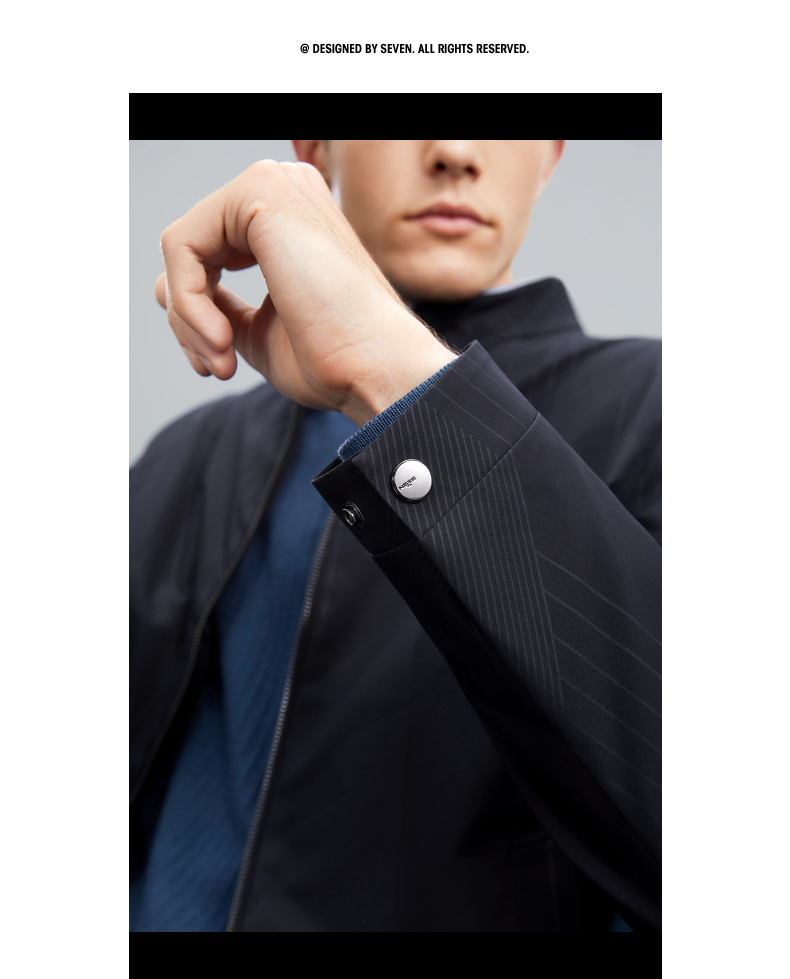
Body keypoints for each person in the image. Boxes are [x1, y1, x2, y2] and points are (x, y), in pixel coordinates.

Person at [130, 140, 661, 933]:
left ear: (551, 155)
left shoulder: (657, 410)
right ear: (315, 150)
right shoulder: (186, 457)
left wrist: (394, 374)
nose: (455, 153)